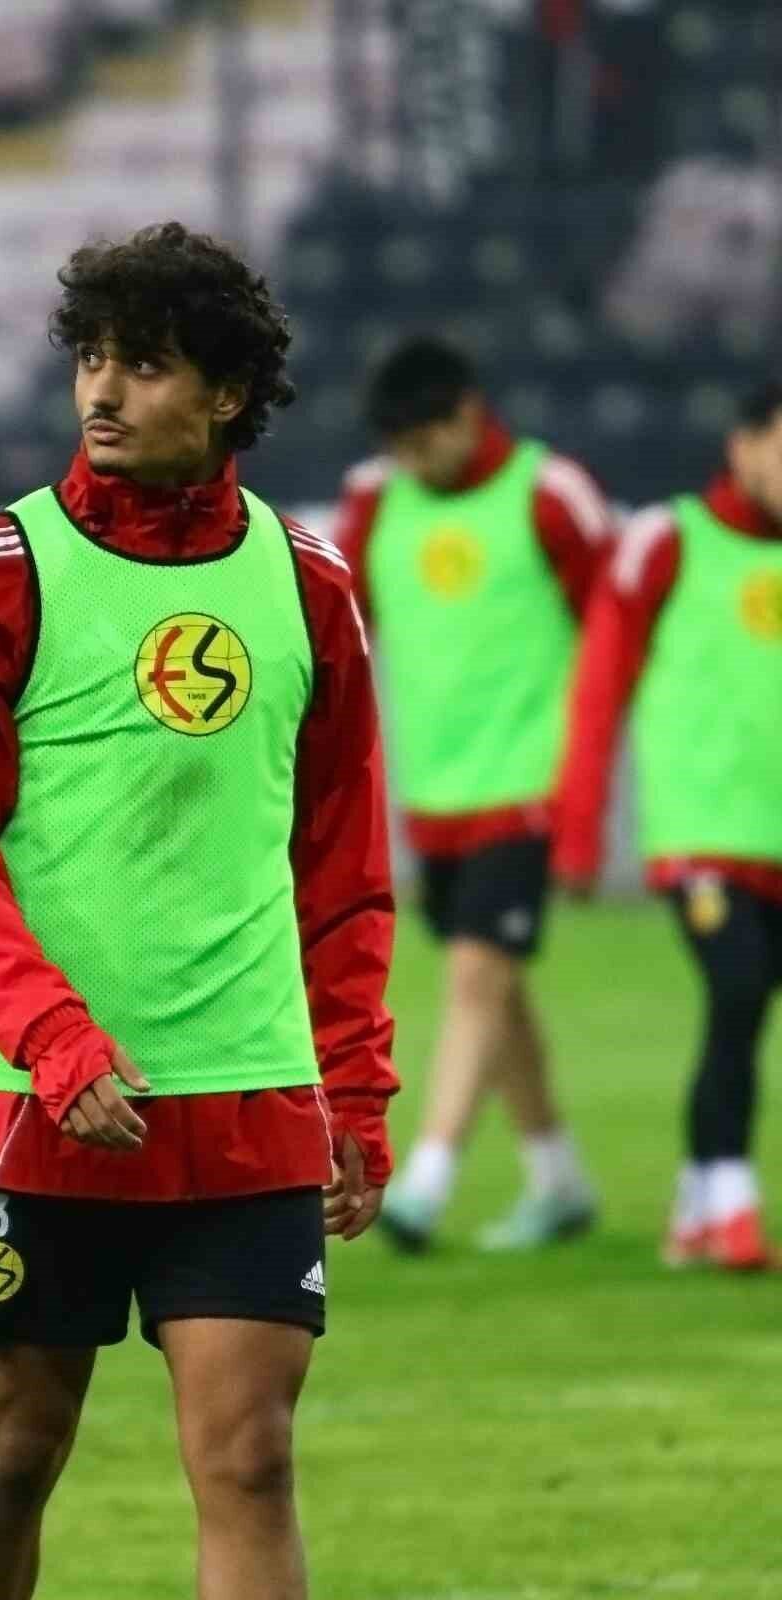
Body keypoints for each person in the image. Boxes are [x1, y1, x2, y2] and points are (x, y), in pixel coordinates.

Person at [0, 221, 397, 1600]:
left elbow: (341, 862)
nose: (102, 392)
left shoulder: (309, 584)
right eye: (91, 359)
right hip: (39, 1102)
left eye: (145, 366)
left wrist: (354, 1081)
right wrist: (50, 1034)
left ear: (227, 395)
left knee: (250, 1459)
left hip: (248, 1095)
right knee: (15, 1449)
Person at [334, 336, 610, 1252]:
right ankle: (559, 1178)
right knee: (497, 992)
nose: (411, 464)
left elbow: (613, 639)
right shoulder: (376, 503)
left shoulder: (549, 496)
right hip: (433, 794)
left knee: (474, 978)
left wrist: (586, 799)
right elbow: (341, 634)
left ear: (467, 414)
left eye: (423, 444)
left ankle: (425, 1181)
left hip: (528, 786)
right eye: (398, 449)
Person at [557, 380, 782, 1271]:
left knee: (744, 1012)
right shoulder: (667, 541)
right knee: (739, 989)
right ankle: (731, 1203)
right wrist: (579, 831)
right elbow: (599, 687)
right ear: (744, 444)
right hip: (701, 840)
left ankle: (694, 1203)